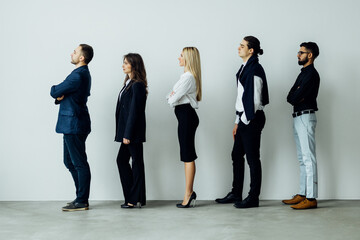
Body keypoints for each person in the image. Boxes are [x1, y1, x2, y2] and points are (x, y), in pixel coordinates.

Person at [215, 36, 269, 208]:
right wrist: (237, 122)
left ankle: (253, 197)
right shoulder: (245, 67)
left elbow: (253, 99)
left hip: (251, 118)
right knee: (236, 155)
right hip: (244, 119)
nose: (238, 48)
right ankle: (236, 193)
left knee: (253, 158)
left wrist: (244, 120)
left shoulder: (255, 69)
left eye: (242, 46)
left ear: (251, 50)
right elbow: (241, 98)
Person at [50, 44, 94, 211]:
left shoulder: (77, 76)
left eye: (75, 52)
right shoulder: (80, 75)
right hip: (72, 124)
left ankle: (82, 200)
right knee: (69, 161)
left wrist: (57, 92)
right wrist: (61, 95)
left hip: (74, 124)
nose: (72, 53)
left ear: (82, 57)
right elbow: (62, 95)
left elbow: (55, 91)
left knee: (79, 162)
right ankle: (80, 197)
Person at [282, 42, 320, 210]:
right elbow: (291, 96)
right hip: (298, 116)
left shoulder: (312, 74)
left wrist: (298, 94)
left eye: (301, 52)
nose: (298, 55)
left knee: (308, 158)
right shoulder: (303, 73)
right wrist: (297, 93)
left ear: (310, 55)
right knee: (302, 158)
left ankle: (311, 198)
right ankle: (302, 194)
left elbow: (296, 96)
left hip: (306, 116)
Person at [167, 47, 201, 208]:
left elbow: (171, 100)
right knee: (186, 154)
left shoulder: (187, 78)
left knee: (188, 155)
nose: (178, 58)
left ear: (188, 58)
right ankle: (188, 192)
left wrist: (173, 94)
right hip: (184, 117)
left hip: (186, 117)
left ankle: (188, 193)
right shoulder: (186, 77)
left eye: (181, 56)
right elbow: (170, 96)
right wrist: (173, 94)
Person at [115, 53, 147, 208]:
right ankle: (135, 197)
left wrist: (127, 134)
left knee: (136, 163)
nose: (123, 65)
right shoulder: (129, 83)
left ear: (134, 65)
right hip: (127, 131)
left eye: (126, 63)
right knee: (124, 160)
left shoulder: (138, 85)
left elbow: (135, 111)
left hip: (132, 132)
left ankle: (134, 199)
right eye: (124, 62)